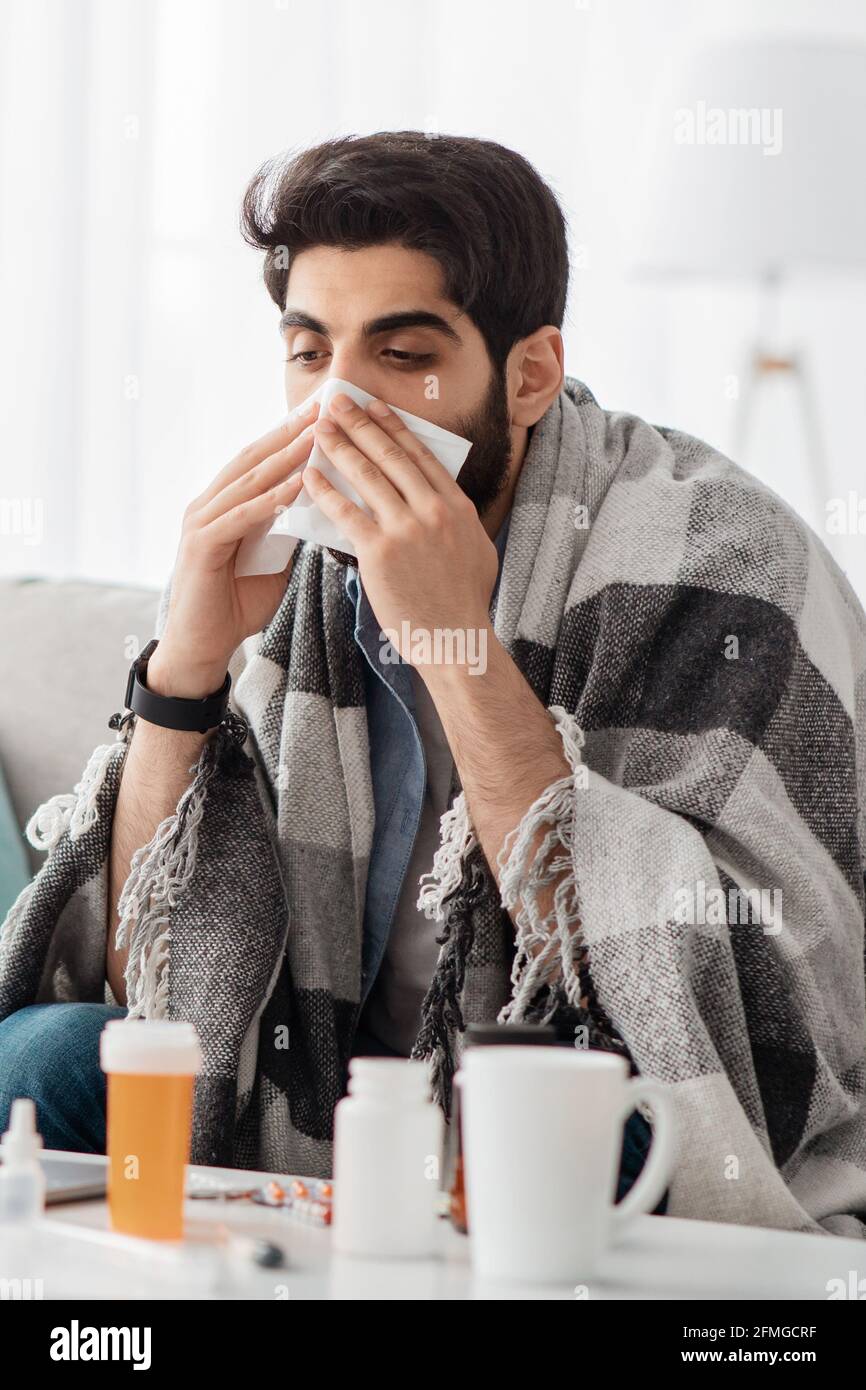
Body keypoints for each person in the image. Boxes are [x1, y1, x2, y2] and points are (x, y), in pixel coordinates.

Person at [2, 133, 865, 1235]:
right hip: (316, 1106)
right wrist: (184, 672)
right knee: (46, 1059)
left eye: (402, 354)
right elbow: (138, 977)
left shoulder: (719, 558)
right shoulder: (293, 570)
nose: (342, 408)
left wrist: (456, 642)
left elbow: (730, 1032)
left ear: (530, 373)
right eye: (310, 353)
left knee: (602, 1134)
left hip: (582, 1087)